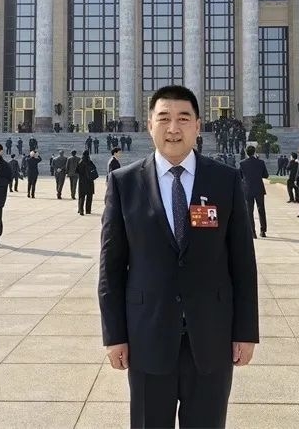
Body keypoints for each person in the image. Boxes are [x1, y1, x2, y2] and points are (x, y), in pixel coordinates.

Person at [98, 85, 259, 429]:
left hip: (211, 337)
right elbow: (111, 268)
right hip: (147, 337)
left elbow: (243, 264)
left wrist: (246, 332)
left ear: (198, 125)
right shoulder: (124, 183)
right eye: (164, 118)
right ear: (149, 125)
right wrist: (114, 335)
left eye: (183, 118)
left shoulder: (225, 180)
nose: (173, 128)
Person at [239, 144, 269, 237]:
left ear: (246, 153)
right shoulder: (260, 162)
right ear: (255, 152)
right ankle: (263, 230)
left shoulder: (242, 163)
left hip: (248, 189)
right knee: (261, 209)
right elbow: (266, 175)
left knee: (249, 211)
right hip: (259, 188)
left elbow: (240, 176)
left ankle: (252, 232)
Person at [77, 150, 98, 215]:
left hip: (82, 182)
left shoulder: (80, 162)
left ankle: (81, 210)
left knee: (81, 196)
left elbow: (77, 171)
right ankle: (88, 210)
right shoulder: (90, 162)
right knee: (89, 197)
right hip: (89, 181)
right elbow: (94, 169)